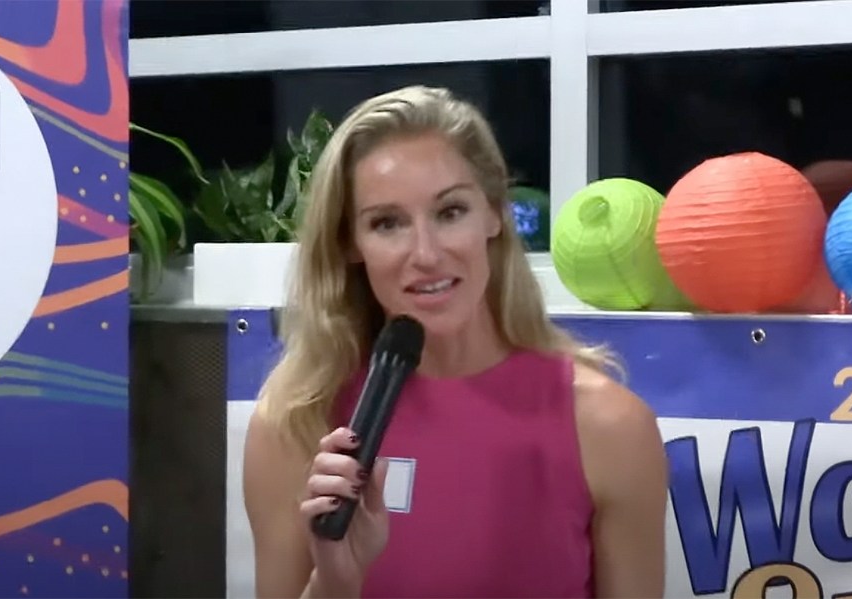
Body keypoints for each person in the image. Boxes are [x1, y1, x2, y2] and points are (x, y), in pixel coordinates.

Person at [243, 85, 669, 598]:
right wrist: (336, 580)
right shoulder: (294, 423)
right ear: (350, 244)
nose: (425, 254)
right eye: (387, 223)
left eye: (450, 213)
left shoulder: (610, 427)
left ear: (494, 214)